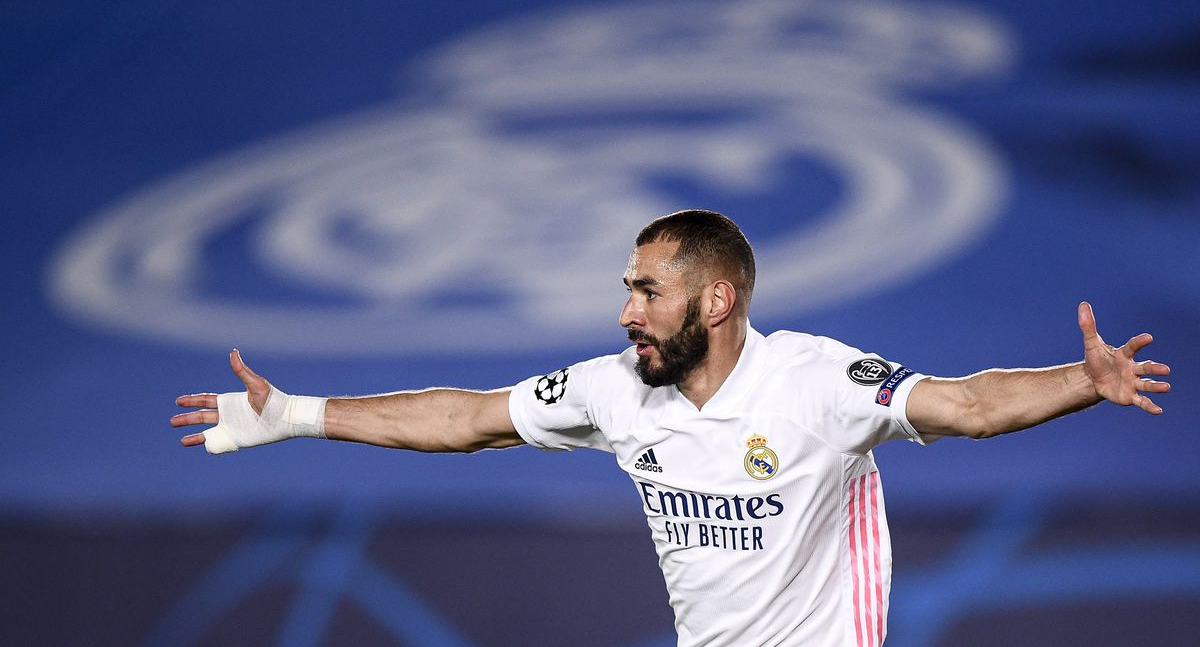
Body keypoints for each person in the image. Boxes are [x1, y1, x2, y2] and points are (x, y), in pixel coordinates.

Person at [172, 209, 1170, 646]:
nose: (626, 311)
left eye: (648, 291)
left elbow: (972, 404)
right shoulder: (615, 390)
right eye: (627, 290)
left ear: (719, 298)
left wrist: (1081, 383)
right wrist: (294, 414)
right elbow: (466, 419)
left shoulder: (818, 382)